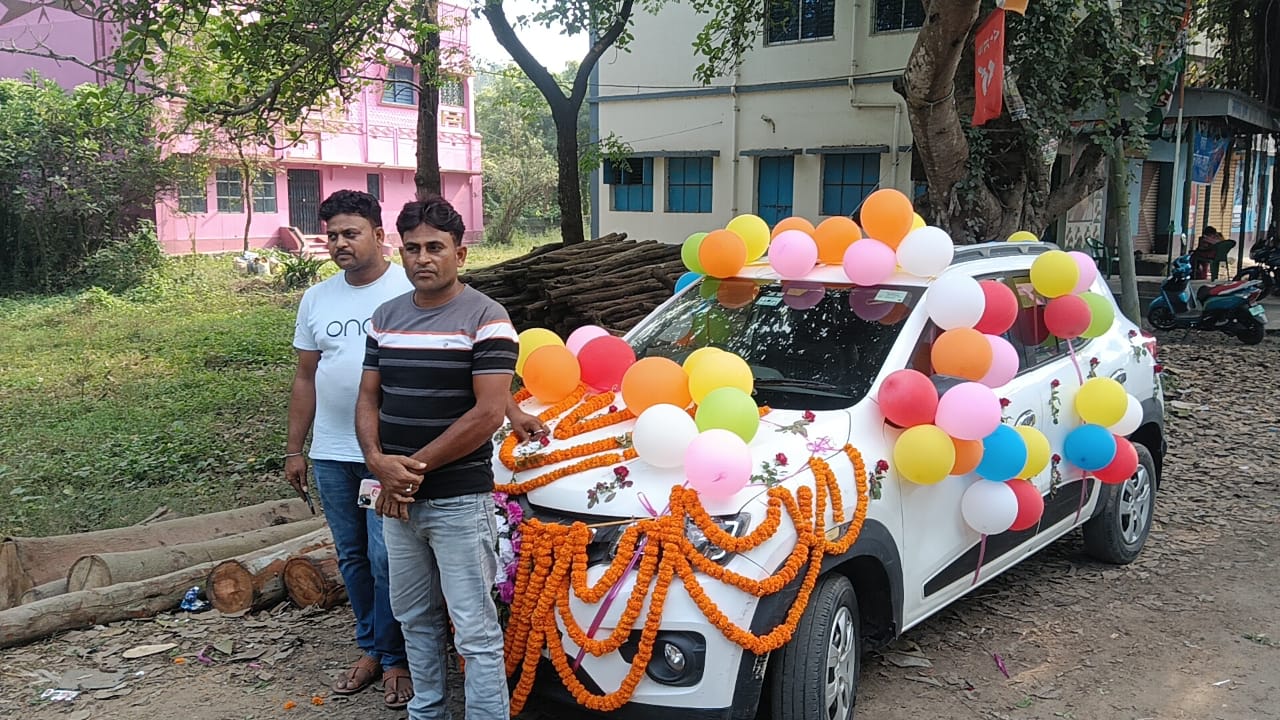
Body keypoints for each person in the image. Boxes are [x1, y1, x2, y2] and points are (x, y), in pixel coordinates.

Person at [356, 196, 540, 720]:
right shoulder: (385, 317)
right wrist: (376, 461)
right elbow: (369, 397)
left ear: (460, 253)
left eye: (435, 247)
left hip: (458, 500)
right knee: (413, 616)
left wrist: (406, 470)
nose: (422, 258)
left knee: (475, 629)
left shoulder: (488, 318)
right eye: (412, 248)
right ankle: (427, 711)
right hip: (397, 502)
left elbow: (486, 414)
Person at [285, 189, 415, 709]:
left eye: (351, 233)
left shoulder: (411, 287)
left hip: (388, 453)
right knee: (353, 557)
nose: (340, 243)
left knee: (391, 559)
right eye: (332, 235)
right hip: (333, 454)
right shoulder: (318, 299)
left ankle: (397, 656)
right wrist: (296, 449)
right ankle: (372, 649)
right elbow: (305, 377)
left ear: (379, 236)